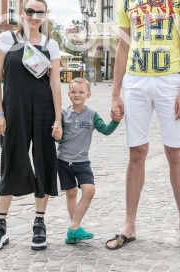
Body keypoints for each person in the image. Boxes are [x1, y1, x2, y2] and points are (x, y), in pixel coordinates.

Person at [106, 0, 180, 252]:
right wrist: (115, 93)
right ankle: (129, 224)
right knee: (136, 153)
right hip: (135, 81)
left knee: (175, 152)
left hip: (168, 81)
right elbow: (122, 47)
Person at [0, 0, 62, 252]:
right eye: (30, 11)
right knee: (11, 162)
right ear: (22, 12)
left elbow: (54, 83)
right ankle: (1, 224)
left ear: (45, 16)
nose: (34, 17)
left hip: (43, 112)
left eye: (40, 13)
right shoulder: (8, 40)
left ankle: (39, 223)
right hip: (14, 111)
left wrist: (58, 119)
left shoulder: (51, 45)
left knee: (43, 163)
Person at [57, 77, 121, 244]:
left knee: (89, 190)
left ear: (88, 94)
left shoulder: (92, 114)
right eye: (73, 92)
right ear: (68, 93)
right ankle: (75, 230)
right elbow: (60, 138)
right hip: (63, 161)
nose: (77, 95)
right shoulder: (63, 114)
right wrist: (56, 136)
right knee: (71, 193)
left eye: (81, 92)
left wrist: (116, 121)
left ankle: (73, 227)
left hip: (82, 162)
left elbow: (106, 130)